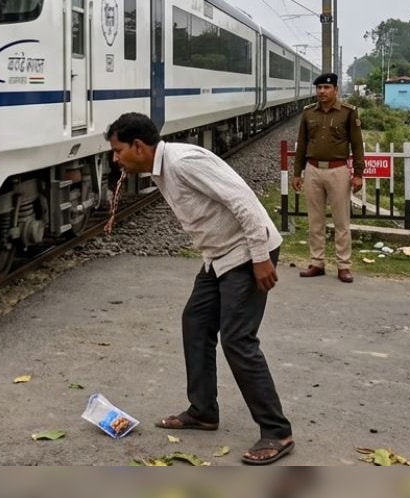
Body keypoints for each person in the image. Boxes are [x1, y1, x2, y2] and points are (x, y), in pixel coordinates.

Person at [105, 112, 294, 466]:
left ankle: (276, 430)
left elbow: (243, 201)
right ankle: (204, 410)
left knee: (238, 339)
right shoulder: (160, 169)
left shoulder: (184, 162)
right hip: (219, 257)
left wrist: (260, 257)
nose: (115, 159)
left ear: (138, 146)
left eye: (117, 151)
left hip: (247, 252)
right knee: (195, 323)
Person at [291, 73, 365, 283]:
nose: (322, 92)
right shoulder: (308, 114)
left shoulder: (348, 113)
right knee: (315, 221)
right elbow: (302, 144)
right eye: (319, 88)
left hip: (338, 170)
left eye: (326, 88)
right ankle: (317, 262)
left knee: (341, 221)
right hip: (313, 169)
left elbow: (357, 145)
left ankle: (344, 266)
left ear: (335, 90)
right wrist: (297, 173)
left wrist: (358, 174)